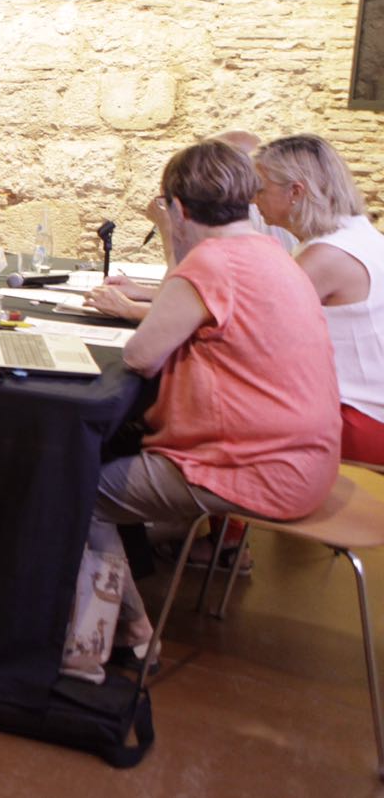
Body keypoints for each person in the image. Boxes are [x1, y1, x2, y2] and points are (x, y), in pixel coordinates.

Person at [66, 141, 341, 683]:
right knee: (115, 450)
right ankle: (128, 626)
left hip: (258, 471)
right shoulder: (269, 252)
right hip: (306, 460)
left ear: (179, 209)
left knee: (74, 486)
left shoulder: (211, 262)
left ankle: (108, 645)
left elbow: (142, 355)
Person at [254, 134, 384, 465]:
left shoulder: (327, 255)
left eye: (260, 188)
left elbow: (249, 323)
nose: (254, 200)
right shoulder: (355, 235)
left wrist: (141, 313)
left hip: (353, 418)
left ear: (295, 192)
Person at [88, 130, 299, 321]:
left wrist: (128, 308)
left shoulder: (238, 218)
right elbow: (211, 297)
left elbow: (176, 312)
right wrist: (145, 292)